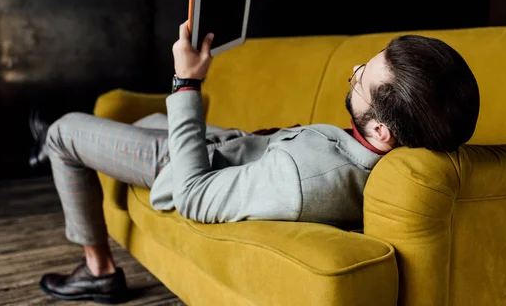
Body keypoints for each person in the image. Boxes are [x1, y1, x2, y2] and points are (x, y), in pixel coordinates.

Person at [39, 21, 480, 303]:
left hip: (186, 161)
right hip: (224, 141)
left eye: (364, 77)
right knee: (141, 118)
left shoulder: (302, 180)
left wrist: (187, 83)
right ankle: (45, 141)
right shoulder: (391, 145)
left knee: (63, 130)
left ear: (382, 130)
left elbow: (193, 194)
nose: (356, 68)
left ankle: (97, 272)